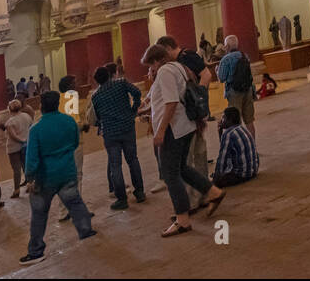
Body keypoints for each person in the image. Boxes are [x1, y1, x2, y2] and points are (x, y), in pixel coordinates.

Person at [144, 40, 226, 237]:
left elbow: (171, 102)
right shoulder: (177, 67)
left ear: (157, 61)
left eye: (150, 65)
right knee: (182, 168)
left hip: (174, 129)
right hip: (186, 126)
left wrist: (160, 131)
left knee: (170, 174)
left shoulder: (164, 72)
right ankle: (213, 192)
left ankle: (182, 220)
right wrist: (146, 109)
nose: (150, 70)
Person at [20, 90, 96, 264]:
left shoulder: (36, 129)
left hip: (44, 177)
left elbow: (31, 159)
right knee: (75, 202)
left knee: (39, 214)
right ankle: (86, 230)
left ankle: (36, 250)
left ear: (41, 106)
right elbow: (75, 143)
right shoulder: (69, 121)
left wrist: (30, 177)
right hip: (67, 171)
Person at [89, 65, 146, 211]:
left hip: (110, 133)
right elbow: (137, 92)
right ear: (109, 75)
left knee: (115, 166)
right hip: (127, 127)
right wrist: (134, 109)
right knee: (133, 160)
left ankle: (122, 199)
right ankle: (139, 192)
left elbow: (97, 117)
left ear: (96, 81)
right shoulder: (121, 83)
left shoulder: (96, 96)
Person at [176, 44, 214, 210]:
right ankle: (206, 192)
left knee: (188, 159)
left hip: (190, 114)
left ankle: (193, 199)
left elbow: (206, 75)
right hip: (196, 113)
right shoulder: (186, 58)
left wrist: (199, 96)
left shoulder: (184, 59)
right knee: (199, 153)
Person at [57, 75, 90, 222]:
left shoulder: (58, 100)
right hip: (74, 144)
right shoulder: (71, 98)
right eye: (74, 83)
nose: (77, 85)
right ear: (69, 85)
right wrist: (84, 125)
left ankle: (64, 210)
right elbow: (73, 124)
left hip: (60, 145)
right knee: (77, 175)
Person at [216, 35, 257, 138]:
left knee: (235, 122)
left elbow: (222, 78)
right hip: (247, 90)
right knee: (249, 121)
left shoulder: (226, 59)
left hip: (234, 92)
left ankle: (240, 146)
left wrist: (217, 71)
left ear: (227, 46)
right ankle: (252, 147)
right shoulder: (244, 56)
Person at [212, 107, 260, 187]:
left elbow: (222, 158)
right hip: (253, 171)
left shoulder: (228, 134)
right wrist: (220, 133)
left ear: (229, 120)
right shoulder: (242, 128)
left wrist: (217, 177)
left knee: (213, 184)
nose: (221, 120)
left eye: (223, 117)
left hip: (241, 175)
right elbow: (226, 148)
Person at [1, 99, 34, 199]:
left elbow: (13, 136)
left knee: (16, 169)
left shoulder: (10, 122)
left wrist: (21, 140)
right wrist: (26, 140)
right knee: (26, 166)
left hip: (14, 147)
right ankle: (30, 184)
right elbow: (31, 128)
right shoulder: (27, 116)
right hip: (26, 146)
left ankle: (16, 190)